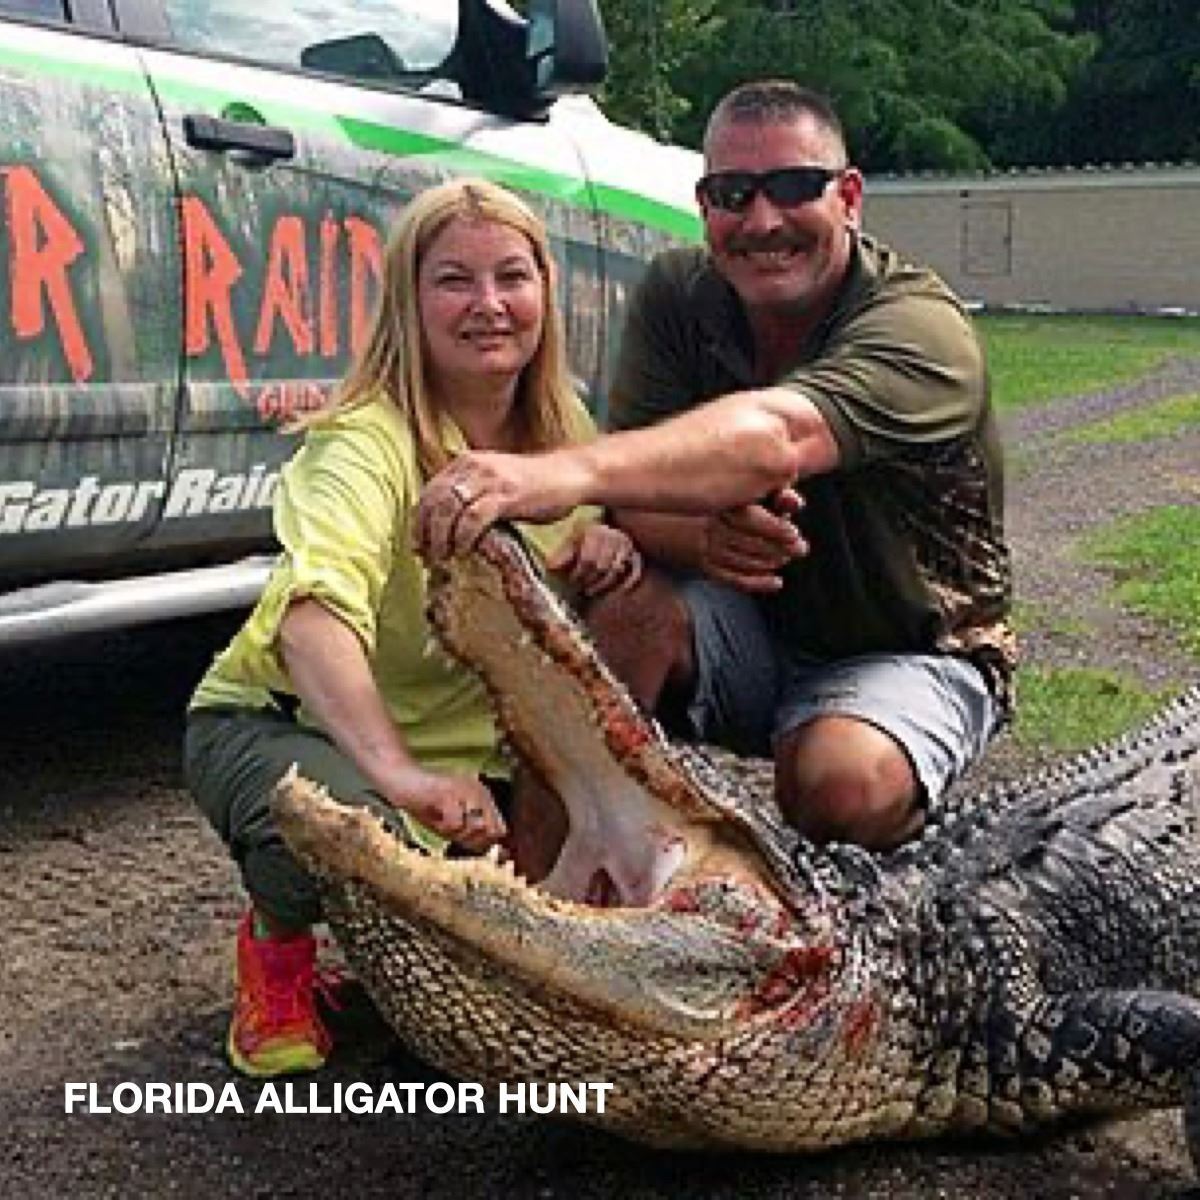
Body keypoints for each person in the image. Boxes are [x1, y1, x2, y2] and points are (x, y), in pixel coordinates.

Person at [415, 81, 1015, 854]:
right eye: (734, 193)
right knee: (616, 611)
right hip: (747, 631)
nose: (762, 221)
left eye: (793, 187)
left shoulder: (921, 328)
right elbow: (637, 499)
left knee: (838, 786)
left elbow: (778, 435)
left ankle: (899, 865)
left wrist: (558, 475)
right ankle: (539, 886)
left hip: (909, 644)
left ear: (849, 197)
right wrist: (701, 540)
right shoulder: (678, 295)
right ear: (704, 206)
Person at [184, 177, 641, 1078]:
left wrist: (605, 544)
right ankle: (276, 944)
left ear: (546, 292)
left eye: (512, 277)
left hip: (477, 759)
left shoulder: (567, 427)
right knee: (349, 836)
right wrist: (401, 776)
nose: (488, 305)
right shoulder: (364, 440)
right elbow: (314, 615)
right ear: (408, 299)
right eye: (454, 280)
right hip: (290, 725)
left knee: (497, 956)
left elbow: (569, 559)